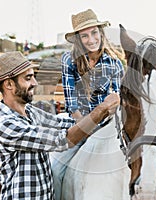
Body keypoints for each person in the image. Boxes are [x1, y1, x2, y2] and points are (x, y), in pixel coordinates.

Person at [0, 51, 119, 200]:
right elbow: (63, 139)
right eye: (28, 78)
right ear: (9, 84)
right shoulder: (4, 124)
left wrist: (105, 119)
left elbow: (64, 124)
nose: (35, 83)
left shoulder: (30, 112)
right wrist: (101, 109)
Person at [50, 8, 125, 199]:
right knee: (56, 171)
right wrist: (87, 127)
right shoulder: (69, 60)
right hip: (78, 124)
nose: (91, 39)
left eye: (94, 33)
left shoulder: (114, 63)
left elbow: (117, 99)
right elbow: (71, 104)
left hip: (107, 125)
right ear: (78, 39)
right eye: (84, 36)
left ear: (101, 32)